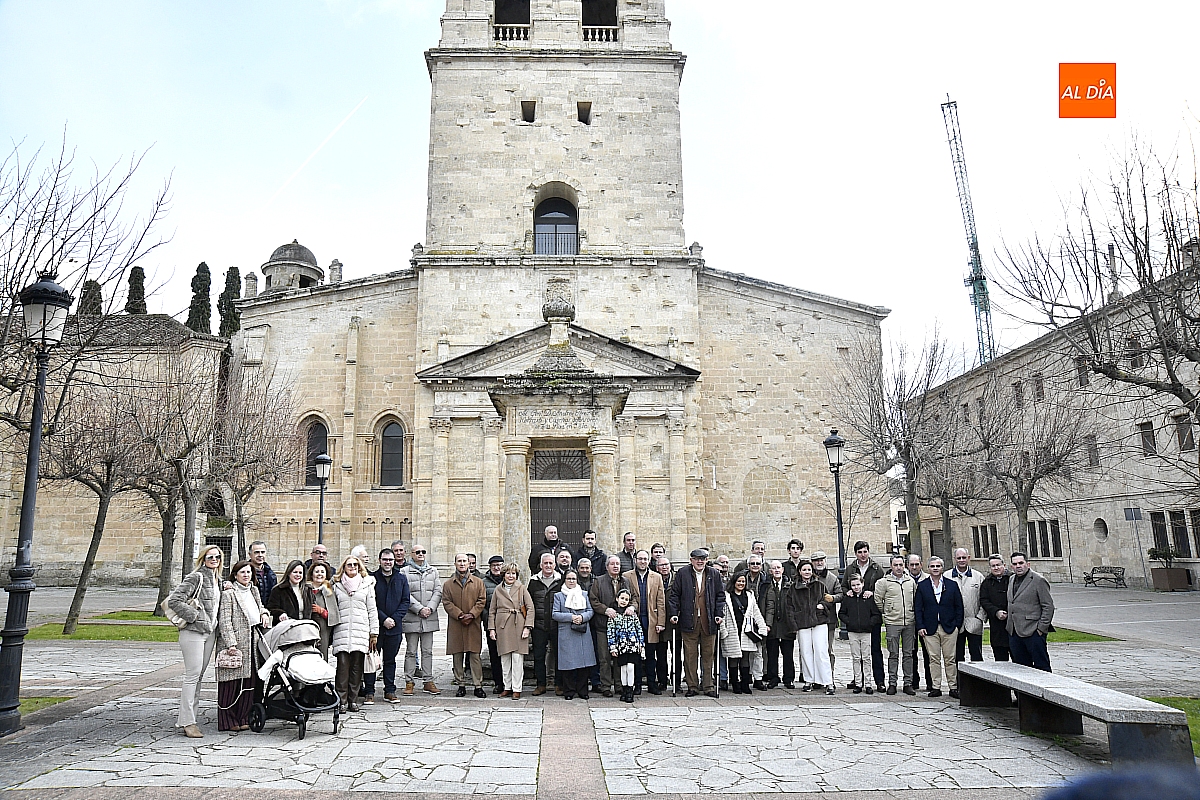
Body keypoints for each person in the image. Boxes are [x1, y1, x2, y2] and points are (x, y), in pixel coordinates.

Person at [169, 545, 224, 738]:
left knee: (199, 675)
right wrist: (195, 616)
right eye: (210, 557)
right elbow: (174, 601)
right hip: (193, 631)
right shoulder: (196, 577)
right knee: (192, 675)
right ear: (203, 558)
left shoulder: (218, 580)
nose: (214, 560)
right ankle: (187, 722)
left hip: (209, 633)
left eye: (217, 557)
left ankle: (192, 717)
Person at [215, 559, 270, 731]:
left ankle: (243, 717)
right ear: (235, 575)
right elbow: (224, 620)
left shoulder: (253, 590)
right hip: (235, 642)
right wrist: (231, 643)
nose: (246, 575)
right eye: (242, 572)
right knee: (230, 683)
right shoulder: (229, 593)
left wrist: (265, 613)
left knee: (249, 682)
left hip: (252, 641)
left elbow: (260, 607)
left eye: (249, 572)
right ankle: (228, 720)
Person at [667, 548, 725, 697]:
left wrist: (719, 614)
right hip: (689, 620)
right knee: (690, 655)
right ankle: (692, 686)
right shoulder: (683, 573)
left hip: (709, 621)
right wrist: (674, 614)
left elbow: (720, 596)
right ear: (691, 560)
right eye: (697, 559)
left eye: (703, 559)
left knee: (708, 655)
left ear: (707, 560)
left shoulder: (714, 574)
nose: (700, 561)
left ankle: (708, 686)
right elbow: (674, 596)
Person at [331, 555, 378, 711]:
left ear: (359, 567)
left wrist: (374, 632)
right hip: (342, 629)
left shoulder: (367, 584)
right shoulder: (336, 585)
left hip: (360, 629)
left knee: (357, 667)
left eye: (355, 565)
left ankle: (353, 699)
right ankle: (341, 700)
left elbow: (372, 609)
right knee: (342, 666)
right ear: (344, 567)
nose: (352, 567)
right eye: (349, 565)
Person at [914, 556, 964, 698]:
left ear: (942, 568)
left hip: (949, 627)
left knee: (950, 658)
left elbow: (959, 606)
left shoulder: (951, 585)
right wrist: (920, 626)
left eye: (938, 566)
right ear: (928, 568)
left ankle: (953, 687)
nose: (935, 568)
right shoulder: (922, 586)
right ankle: (936, 687)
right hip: (930, 628)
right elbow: (918, 608)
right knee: (933, 658)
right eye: (932, 566)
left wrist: (957, 625)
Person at [590, 554, 638, 697]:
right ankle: (605, 686)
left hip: (622, 629)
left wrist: (632, 608)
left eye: (617, 564)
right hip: (603, 627)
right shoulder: (598, 581)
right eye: (612, 564)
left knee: (621, 657)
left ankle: (620, 685)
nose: (615, 566)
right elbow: (593, 600)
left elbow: (635, 598)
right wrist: (605, 610)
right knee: (604, 658)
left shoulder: (626, 581)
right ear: (607, 566)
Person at [841, 540, 886, 692]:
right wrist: (847, 591)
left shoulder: (876, 568)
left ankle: (878, 680)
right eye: (860, 552)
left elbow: (882, 585)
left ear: (868, 552)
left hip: (871, 613)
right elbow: (844, 586)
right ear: (856, 554)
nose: (863, 554)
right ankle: (858, 679)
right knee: (858, 653)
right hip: (856, 614)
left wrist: (872, 592)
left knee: (874, 650)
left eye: (865, 551)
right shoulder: (850, 568)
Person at [443, 553, 487, 698]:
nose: (462, 564)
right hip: (456, 623)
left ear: (469, 564)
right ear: (455, 563)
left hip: (473, 623)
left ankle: (477, 685)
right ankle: (460, 684)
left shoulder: (478, 582)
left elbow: (481, 600)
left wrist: (472, 614)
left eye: (464, 561)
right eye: (459, 561)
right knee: (457, 655)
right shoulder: (448, 584)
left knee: (474, 655)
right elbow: (447, 602)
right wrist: (460, 615)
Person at [623, 549, 666, 695]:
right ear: (635, 560)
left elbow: (661, 601)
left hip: (651, 621)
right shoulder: (626, 576)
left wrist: (661, 622)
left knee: (650, 654)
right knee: (634, 655)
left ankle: (652, 684)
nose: (642, 561)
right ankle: (637, 684)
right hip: (633, 622)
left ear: (649, 561)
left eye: (645, 559)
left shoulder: (657, 577)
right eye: (640, 559)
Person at [488, 563, 533, 699]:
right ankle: (507, 687)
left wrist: (527, 627)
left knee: (517, 658)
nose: (511, 576)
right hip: (503, 626)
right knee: (505, 658)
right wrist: (491, 629)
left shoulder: (522, 588)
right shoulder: (497, 589)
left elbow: (530, 608)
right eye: (508, 573)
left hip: (518, 625)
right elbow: (492, 611)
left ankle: (517, 688)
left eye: (513, 573)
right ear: (503, 575)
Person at [371, 548, 411, 703]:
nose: (388, 562)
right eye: (385, 559)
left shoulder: (401, 578)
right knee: (372, 660)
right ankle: (369, 690)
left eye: (390, 560)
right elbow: (371, 603)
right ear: (380, 560)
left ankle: (390, 690)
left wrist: (394, 619)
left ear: (395, 561)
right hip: (377, 627)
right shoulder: (372, 578)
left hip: (395, 627)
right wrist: (383, 619)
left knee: (390, 660)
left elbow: (405, 601)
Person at [401, 544, 442, 695]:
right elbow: (405, 593)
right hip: (412, 616)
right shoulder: (404, 572)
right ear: (411, 554)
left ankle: (428, 681)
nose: (420, 554)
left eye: (423, 551)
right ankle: (409, 681)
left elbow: (438, 591)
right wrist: (419, 609)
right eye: (417, 552)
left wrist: (430, 608)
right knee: (411, 651)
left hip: (428, 617)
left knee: (427, 651)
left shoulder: (433, 571)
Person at [875, 554, 917, 696]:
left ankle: (908, 683)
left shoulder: (910, 581)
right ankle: (892, 683)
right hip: (893, 622)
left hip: (909, 622)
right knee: (893, 654)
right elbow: (878, 600)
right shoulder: (883, 582)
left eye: (901, 565)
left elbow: (914, 598)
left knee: (908, 654)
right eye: (896, 565)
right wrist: (888, 612)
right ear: (891, 566)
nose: (898, 568)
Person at [551, 570, 597, 700]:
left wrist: (582, 617)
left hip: (582, 631)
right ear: (564, 580)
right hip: (567, 632)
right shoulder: (558, 596)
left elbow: (590, 610)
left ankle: (583, 691)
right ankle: (569, 691)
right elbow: (555, 614)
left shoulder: (584, 594)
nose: (571, 581)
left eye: (574, 579)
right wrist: (571, 617)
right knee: (568, 664)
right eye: (569, 579)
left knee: (584, 664)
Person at [1006, 551, 1055, 671]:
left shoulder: (1038, 580)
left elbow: (1048, 606)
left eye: (1021, 563)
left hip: (1033, 631)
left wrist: (1041, 629)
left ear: (1028, 564)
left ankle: (1045, 688)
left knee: (1041, 666)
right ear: (1011, 566)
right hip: (1014, 632)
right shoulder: (1011, 579)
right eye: (1015, 564)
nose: (1018, 566)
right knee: (1020, 668)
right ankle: (1021, 691)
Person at [719, 572, 767, 694]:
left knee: (745, 657)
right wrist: (723, 630)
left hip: (747, 631)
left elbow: (756, 612)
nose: (741, 583)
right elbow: (722, 614)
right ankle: (735, 683)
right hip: (732, 630)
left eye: (743, 581)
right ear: (734, 582)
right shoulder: (727, 596)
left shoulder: (749, 595)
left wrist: (762, 627)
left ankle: (745, 684)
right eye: (739, 581)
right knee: (734, 658)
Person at [793, 560, 835, 694]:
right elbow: (789, 606)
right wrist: (794, 622)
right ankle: (809, 679)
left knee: (821, 650)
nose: (807, 572)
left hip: (819, 621)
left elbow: (828, 599)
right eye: (804, 570)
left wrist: (822, 605)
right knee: (806, 652)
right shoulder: (794, 588)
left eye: (809, 570)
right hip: (803, 622)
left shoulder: (820, 585)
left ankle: (828, 681)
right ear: (799, 571)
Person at [838, 574, 881, 694]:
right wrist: (849, 622)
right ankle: (858, 683)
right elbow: (842, 613)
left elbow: (876, 614)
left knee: (866, 658)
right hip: (853, 631)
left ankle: (868, 683)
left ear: (862, 584)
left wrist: (869, 623)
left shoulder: (868, 598)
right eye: (853, 585)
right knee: (856, 657)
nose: (856, 587)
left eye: (858, 584)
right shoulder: (848, 598)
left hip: (866, 631)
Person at [528, 552, 563, 695]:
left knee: (559, 655)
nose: (548, 566)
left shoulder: (561, 581)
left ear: (555, 565)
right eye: (545, 563)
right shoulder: (533, 582)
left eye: (551, 563)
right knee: (538, 656)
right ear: (541, 565)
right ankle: (541, 684)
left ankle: (559, 684)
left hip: (556, 625)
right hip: (539, 625)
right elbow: (528, 603)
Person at [761, 560, 796, 689]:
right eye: (773, 568)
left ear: (782, 570)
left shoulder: (789, 585)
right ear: (770, 571)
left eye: (778, 568)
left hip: (786, 624)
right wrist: (766, 623)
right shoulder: (766, 586)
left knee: (788, 653)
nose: (776, 570)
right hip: (773, 624)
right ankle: (773, 677)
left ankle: (789, 678)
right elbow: (766, 605)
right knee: (772, 653)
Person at [607, 589, 645, 703]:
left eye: (626, 599)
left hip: (633, 645)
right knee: (623, 668)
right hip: (621, 646)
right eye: (622, 598)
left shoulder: (633, 615)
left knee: (630, 667)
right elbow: (610, 632)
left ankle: (630, 690)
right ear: (617, 599)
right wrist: (612, 646)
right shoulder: (613, 616)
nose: (624, 601)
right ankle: (624, 690)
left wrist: (641, 644)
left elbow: (639, 630)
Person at [949, 547, 986, 663]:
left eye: (964, 557)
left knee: (977, 656)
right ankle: (959, 681)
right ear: (955, 559)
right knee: (957, 657)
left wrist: (980, 618)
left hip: (974, 622)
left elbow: (984, 599)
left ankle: (977, 681)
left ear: (968, 558)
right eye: (958, 558)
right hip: (955, 624)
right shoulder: (946, 576)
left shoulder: (978, 577)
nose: (961, 560)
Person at [810, 551, 843, 676]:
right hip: (811, 620)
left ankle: (829, 675)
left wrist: (833, 598)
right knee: (813, 650)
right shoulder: (808, 576)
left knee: (828, 649)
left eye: (821, 560)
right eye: (816, 560)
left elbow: (840, 594)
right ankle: (816, 677)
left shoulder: (832, 578)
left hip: (829, 619)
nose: (819, 563)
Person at [741, 555, 769, 690]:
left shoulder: (766, 580)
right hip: (744, 618)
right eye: (752, 563)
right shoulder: (742, 578)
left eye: (758, 563)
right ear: (748, 565)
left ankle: (758, 678)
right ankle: (745, 678)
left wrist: (766, 623)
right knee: (745, 651)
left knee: (758, 651)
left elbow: (770, 603)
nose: (755, 565)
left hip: (759, 617)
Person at [906, 553, 932, 690]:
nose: (914, 567)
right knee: (911, 652)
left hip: (926, 621)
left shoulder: (928, 579)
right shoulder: (904, 579)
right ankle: (913, 681)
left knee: (928, 652)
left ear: (921, 564)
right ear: (908, 565)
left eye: (917, 564)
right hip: (910, 620)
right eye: (912, 564)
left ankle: (930, 682)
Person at [978, 554, 1012, 661]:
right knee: (1000, 660)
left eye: (998, 565)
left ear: (1004, 565)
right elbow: (984, 600)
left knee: (1019, 660)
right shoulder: (987, 583)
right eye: (993, 566)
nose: (996, 568)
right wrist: (996, 612)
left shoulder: (1013, 579)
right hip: (997, 625)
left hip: (1013, 624)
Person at [481, 555, 507, 693]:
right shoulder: (483, 582)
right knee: (494, 654)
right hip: (491, 625)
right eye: (494, 565)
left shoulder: (510, 580)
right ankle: (499, 683)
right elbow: (481, 603)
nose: (497, 568)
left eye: (499, 565)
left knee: (508, 653)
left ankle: (509, 683)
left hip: (508, 625)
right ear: (490, 567)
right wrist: (489, 619)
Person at [308, 561, 339, 660]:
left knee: (321, 658)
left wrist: (321, 611)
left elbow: (333, 616)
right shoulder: (305, 589)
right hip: (307, 629)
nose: (319, 574)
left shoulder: (329, 592)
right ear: (312, 574)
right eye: (317, 571)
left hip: (323, 631)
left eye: (322, 572)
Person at [267, 559, 313, 625]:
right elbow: (272, 608)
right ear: (289, 573)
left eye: (300, 573)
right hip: (287, 627)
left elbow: (313, 610)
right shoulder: (278, 590)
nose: (298, 575)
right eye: (295, 572)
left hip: (305, 627)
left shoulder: (308, 590)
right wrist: (280, 613)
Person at [652, 555, 674, 691]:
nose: (664, 567)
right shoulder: (653, 579)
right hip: (658, 621)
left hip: (673, 621)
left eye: (666, 564)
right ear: (656, 567)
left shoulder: (677, 579)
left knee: (676, 653)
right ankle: (662, 680)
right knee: (661, 654)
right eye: (661, 565)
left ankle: (676, 680)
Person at [248, 541, 277, 606]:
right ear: (250, 555)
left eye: (263, 552)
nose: (260, 555)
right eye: (256, 552)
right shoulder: (244, 573)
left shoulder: (272, 575)